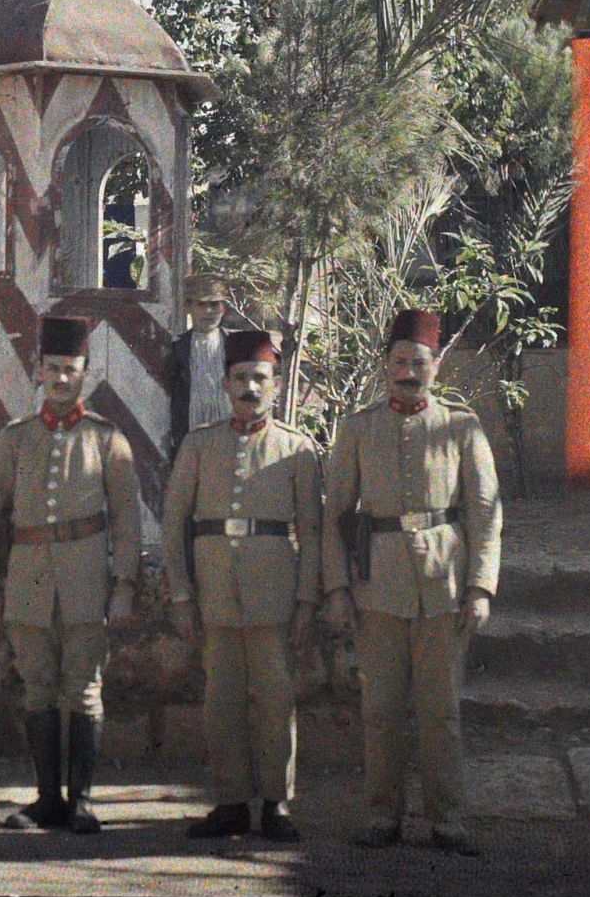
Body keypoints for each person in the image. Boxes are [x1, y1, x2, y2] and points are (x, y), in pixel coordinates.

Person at [322, 309, 502, 855]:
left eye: (418, 362)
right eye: (399, 361)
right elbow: (335, 514)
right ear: (384, 366)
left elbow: (486, 513)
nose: (407, 372)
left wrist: (479, 587)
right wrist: (337, 588)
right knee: (380, 711)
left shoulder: (461, 427)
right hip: (376, 588)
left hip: (442, 587)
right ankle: (383, 817)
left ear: (435, 366)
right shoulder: (359, 427)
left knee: (440, 711)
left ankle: (448, 821)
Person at [0, 313, 141, 835]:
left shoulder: (108, 440)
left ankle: (82, 800)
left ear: (85, 373)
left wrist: (124, 585)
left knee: (84, 690)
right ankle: (47, 799)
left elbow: (128, 523)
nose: (62, 378)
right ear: (37, 371)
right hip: (27, 583)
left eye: (71, 369)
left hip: (87, 582)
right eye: (53, 368)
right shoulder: (15, 438)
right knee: (39, 690)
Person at [160, 328, 322, 843]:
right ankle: (230, 801)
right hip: (215, 591)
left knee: (276, 698)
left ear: (275, 385)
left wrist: (305, 599)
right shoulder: (199, 444)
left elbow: (312, 532)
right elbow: (174, 523)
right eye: (240, 378)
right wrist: (182, 592)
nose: (250, 387)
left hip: (274, 590)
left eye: (260, 378)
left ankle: (275, 802)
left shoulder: (296, 450)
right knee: (221, 698)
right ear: (226, 385)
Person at [164, 275, 235, 461]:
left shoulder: (235, 346)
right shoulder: (177, 349)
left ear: (224, 307)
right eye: (202, 304)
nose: (209, 311)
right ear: (188, 307)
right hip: (190, 440)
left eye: (216, 304)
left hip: (230, 440)